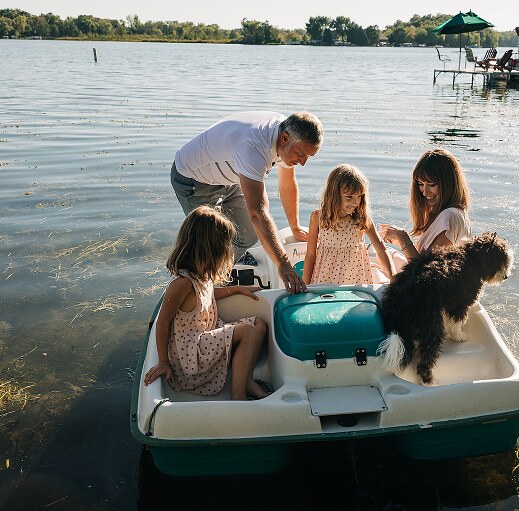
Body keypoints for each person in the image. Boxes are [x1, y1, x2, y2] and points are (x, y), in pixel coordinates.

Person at [170, 111, 323, 294]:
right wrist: (283, 265)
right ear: (284, 138)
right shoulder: (254, 148)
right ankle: (197, 284)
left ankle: (220, 270)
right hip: (195, 179)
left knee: (248, 235)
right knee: (210, 240)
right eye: (300, 154)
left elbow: (287, 184)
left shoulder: (288, 133)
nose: (303, 162)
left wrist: (295, 226)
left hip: (231, 177)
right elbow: (258, 213)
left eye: (308, 157)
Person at [143, 206, 271, 401]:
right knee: (248, 331)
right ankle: (239, 397)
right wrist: (162, 362)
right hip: (190, 357)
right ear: (210, 248)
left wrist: (236, 289)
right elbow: (163, 322)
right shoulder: (182, 283)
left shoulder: (200, 275)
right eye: (223, 247)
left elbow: (208, 295)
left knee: (259, 323)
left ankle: (247, 381)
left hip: (205, 338)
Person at [303, 164, 395, 285]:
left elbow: (381, 249)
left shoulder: (361, 219)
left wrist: (393, 276)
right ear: (334, 195)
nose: (355, 202)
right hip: (325, 278)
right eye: (349, 197)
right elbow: (310, 255)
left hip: (354, 279)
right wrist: (305, 285)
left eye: (359, 197)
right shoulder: (318, 218)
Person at [379, 148, 471, 266]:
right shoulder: (450, 213)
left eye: (431, 184)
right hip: (433, 281)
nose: (425, 192)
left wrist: (402, 237)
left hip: (432, 283)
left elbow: (423, 270)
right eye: (421, 184)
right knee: (381, 257)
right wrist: (402, 243)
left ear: (449, 184)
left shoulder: (450, 216)